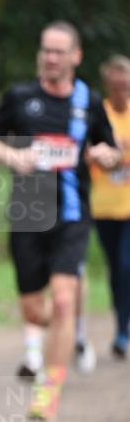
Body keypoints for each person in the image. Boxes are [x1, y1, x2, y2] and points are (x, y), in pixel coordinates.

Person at [0, 22, 119, 421]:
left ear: (76, 57)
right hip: (26, 216)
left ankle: (49, 390)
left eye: (59, 52)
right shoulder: (21, 97)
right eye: (46, 50)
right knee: (34, 309)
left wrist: (106, 156)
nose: (50, 58)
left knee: (61, 300)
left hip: (72, 216)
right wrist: (14, 157)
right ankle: (69, 332)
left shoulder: (87, 101)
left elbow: (106, 146)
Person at [89, 54, 130, 358]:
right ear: (108, 86)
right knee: (116, 270)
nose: (121, 93)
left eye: (126, 87)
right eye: (116, 87)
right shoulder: (97, 115)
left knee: (128, 266)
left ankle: (122, 332)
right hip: (103, 207)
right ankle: (121, 326)